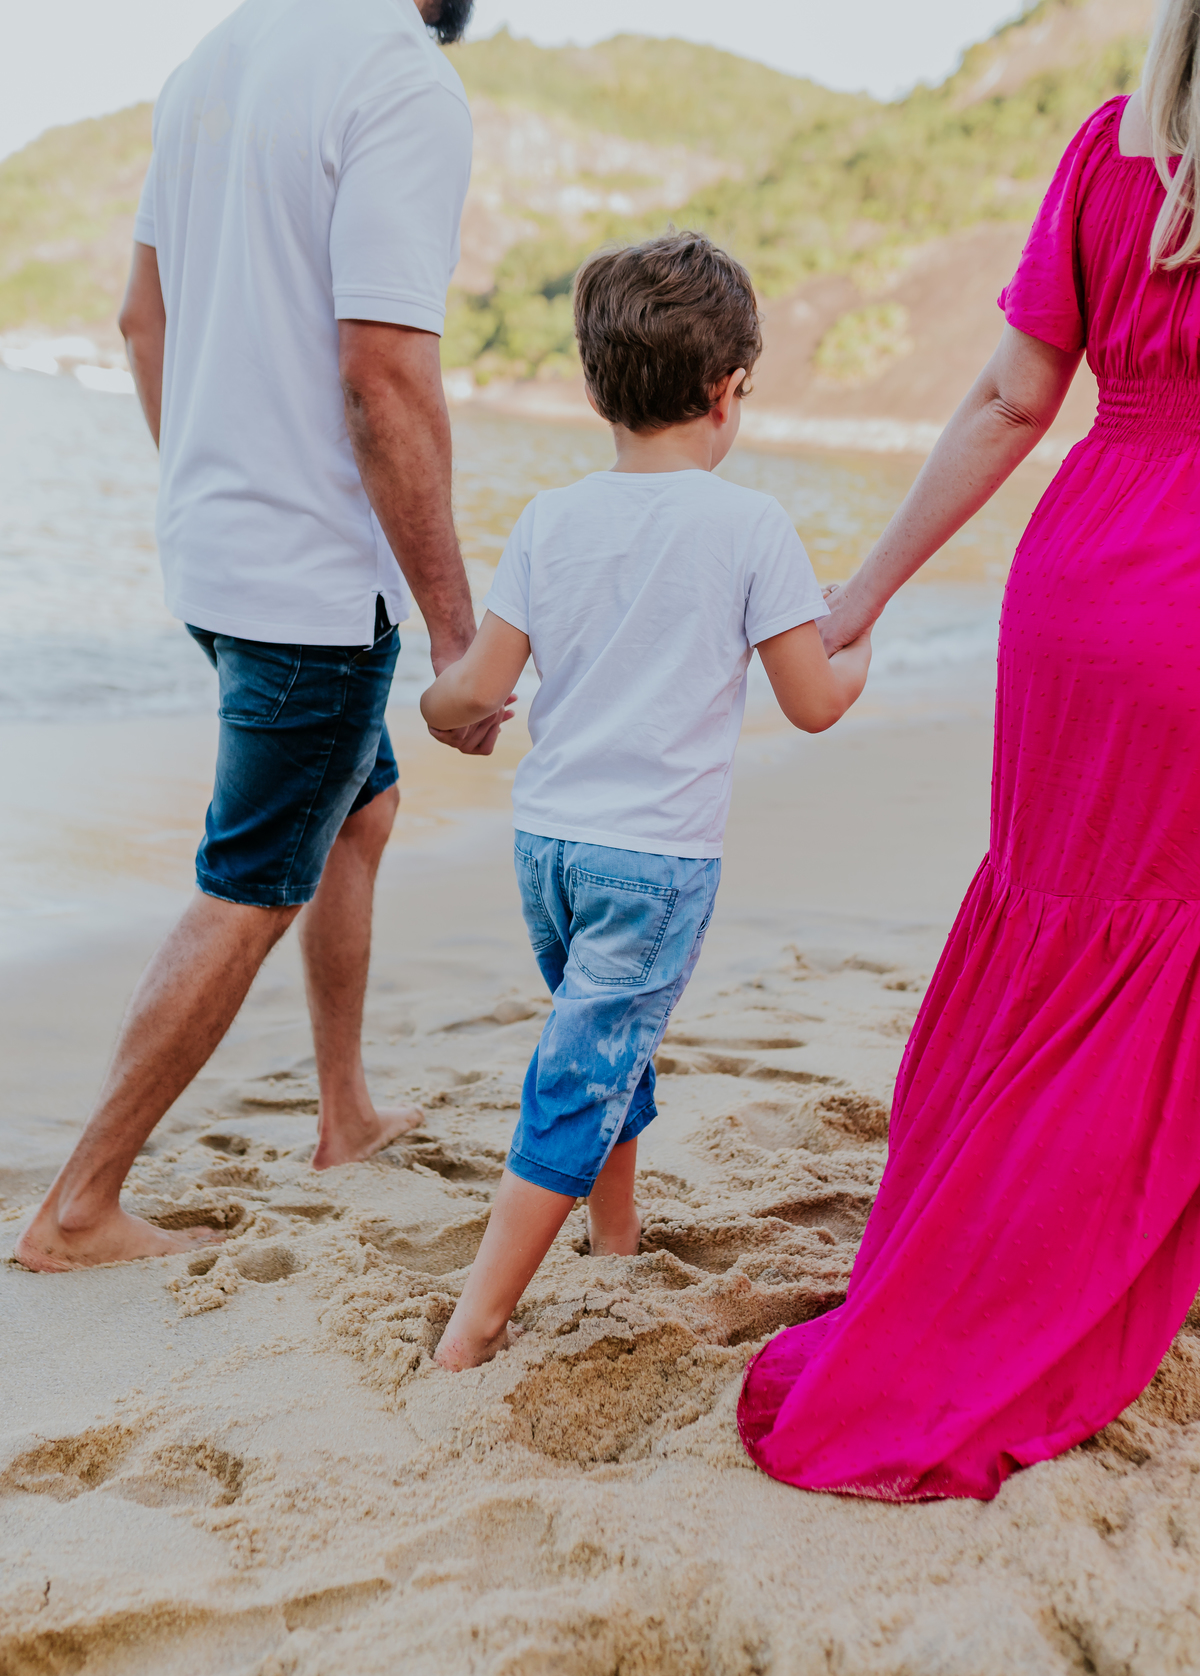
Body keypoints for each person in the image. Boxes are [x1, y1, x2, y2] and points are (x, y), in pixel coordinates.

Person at [738, 0, 1200, 1503]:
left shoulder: (1113, 152)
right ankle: (1048, 1270)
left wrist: (858, 597)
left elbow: (1013, 398)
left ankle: (962, 1237)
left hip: (1076, 591)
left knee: (1053, 930)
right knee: (1157, 958)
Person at [16, 0, 506, 1275]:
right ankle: (79, 1207)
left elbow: (142, 320)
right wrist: (458, 635)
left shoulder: (219, 57)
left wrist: (208, 485)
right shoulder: (403, 79)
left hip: (214, 554)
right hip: (310, 588)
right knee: (252, 879)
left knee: (357, 808)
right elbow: (383, 374)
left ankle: (345, 1116)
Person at [420, 231, 873, 1371]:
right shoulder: (751, 527)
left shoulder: (549, 519)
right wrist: (860, 640)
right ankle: (475, 1326)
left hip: (548, 850)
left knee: (604, 1035)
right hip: (655, 861)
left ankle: (614, 1238)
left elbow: (476, 688)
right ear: (728, 392)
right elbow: (814, 703)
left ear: (592, 390)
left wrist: (439, 708)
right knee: (583, 1070)